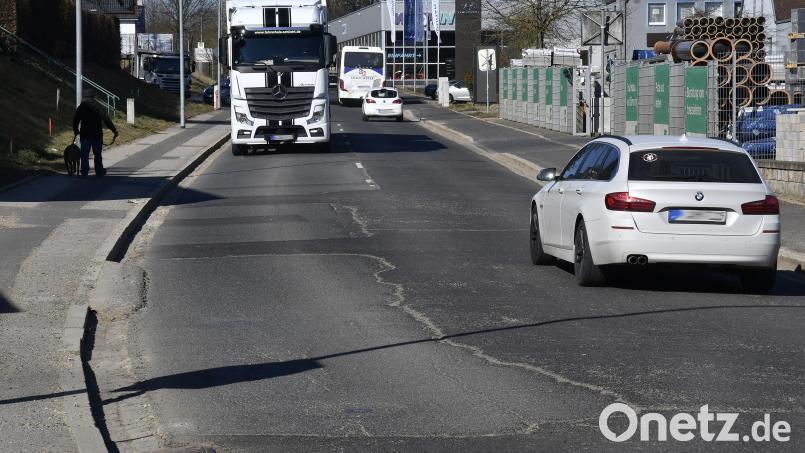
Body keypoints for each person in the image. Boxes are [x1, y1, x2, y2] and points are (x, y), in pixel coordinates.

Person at [72, 89, 118, 178]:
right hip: (96, 134)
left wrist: (75, 130)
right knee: (97, 154)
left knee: (84, 154)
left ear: (84, 96)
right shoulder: (98, 106)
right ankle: (99, 171)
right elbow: (106, 119)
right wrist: (113, 130)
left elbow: (75, 120)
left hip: (85, 134)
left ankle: (84, 172)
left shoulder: (81, 107)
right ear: (93, 96)